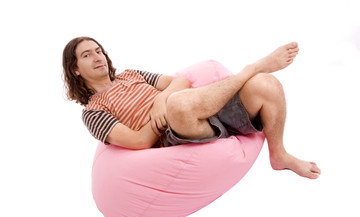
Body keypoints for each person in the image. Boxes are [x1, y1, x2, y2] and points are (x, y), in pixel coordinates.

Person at [62, 36, 321, 179]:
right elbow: (139, 141)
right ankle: (250, 69)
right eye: (87, 55)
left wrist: (161, 100)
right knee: (179, 103)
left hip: (202, 108)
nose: (97, 57)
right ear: (75, 69)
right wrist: (165, 109)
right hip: (177, 132)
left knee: (267, 84)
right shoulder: (92, 112)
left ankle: (279, 154)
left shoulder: (131, 74)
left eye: (98, 51)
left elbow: (180, 81)